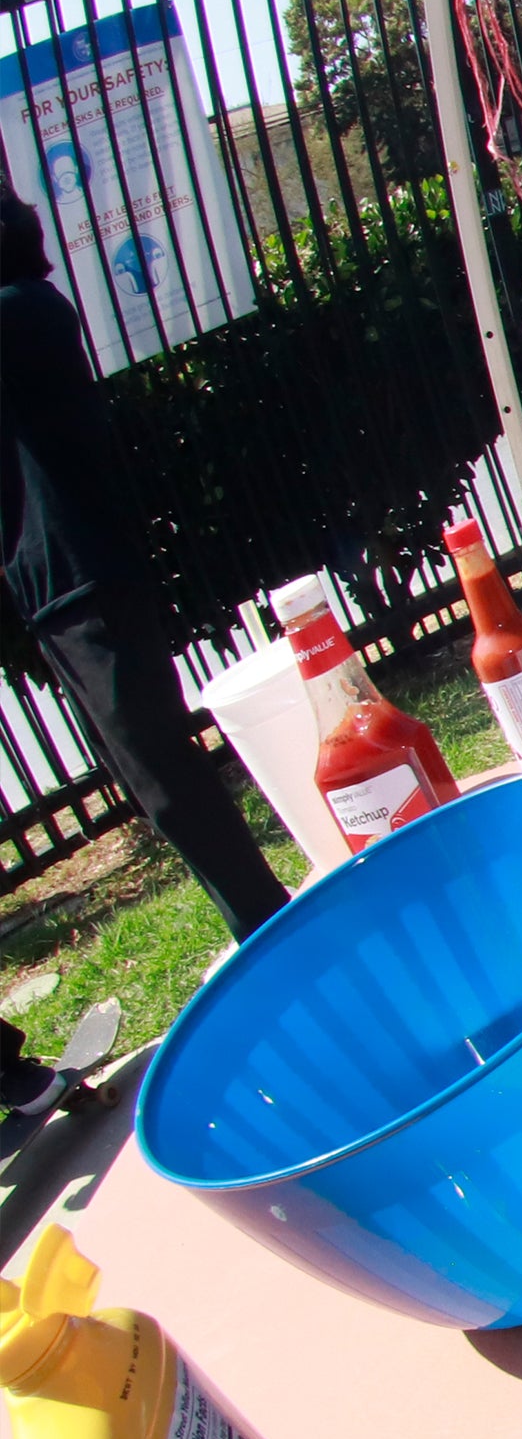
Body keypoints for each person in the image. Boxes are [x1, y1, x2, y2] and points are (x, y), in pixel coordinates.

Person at [0, 180, 289, 934]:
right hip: (59, 589)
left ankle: (262, 921)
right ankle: (256, 918)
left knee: (163, 772)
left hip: (86, 580)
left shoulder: (23, 310)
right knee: (145, 772)